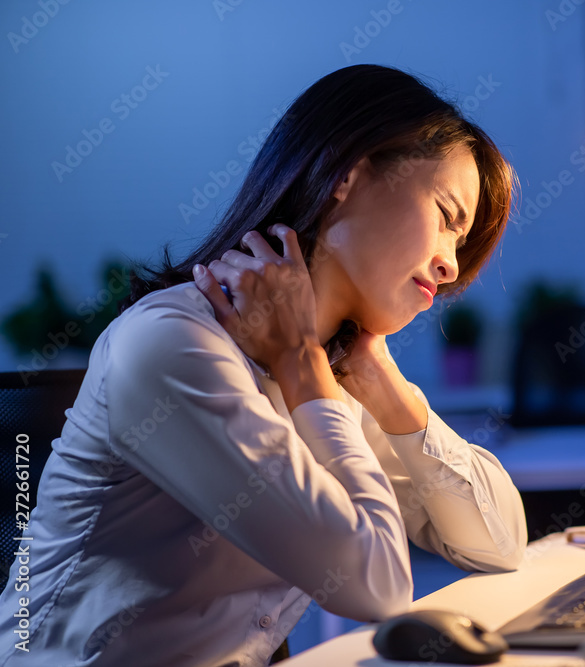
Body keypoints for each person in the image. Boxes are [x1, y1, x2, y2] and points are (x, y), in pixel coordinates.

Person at [0, 64, 527, 666]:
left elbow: (500, 543)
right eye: (445, 217)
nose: (452, 266)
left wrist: (386, 386)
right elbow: (378, 586)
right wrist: (304, 365)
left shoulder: (332, 376)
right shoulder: (173, 346)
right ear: (348, 171)